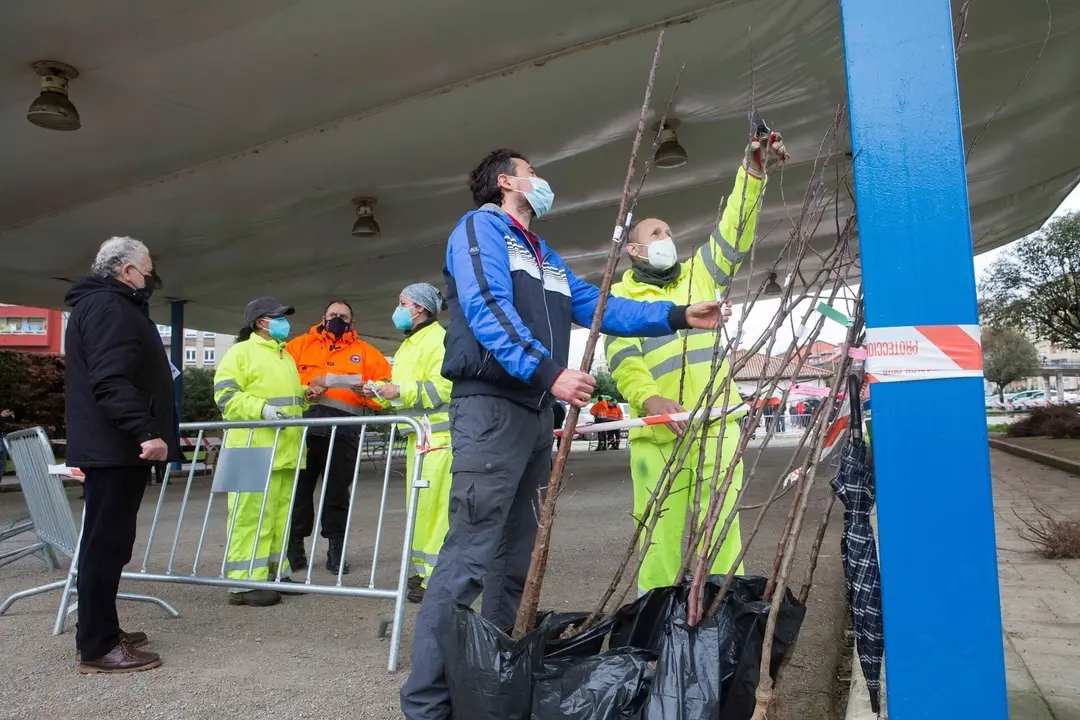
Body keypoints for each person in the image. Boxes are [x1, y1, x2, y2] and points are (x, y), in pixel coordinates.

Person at [400, 147, 730, 719]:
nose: (540, 179)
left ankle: (491, 681)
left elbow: (598, 306)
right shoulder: (480, 229)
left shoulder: (543, 255)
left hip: (531, 412)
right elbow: (485, 309)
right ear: (506, 182)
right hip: (492, 407)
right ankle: (427, 703)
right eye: (531, 170)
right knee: (470, 555)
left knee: (514, 557)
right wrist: (550, 371)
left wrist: (677, 317)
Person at [604, 130, 788, 595]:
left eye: (668, 231)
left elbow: (734, 229)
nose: (667, 238)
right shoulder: (622, 299)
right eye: (655, 233)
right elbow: (624, 359)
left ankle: (723, 618)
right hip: (658, 436)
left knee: (721, 533)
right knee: (659, 541)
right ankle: (656, 621)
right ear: (635, 250)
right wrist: (650, 399)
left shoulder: (700, 274)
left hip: (716, 426)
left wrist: (753, 173)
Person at [63, 236, 180, 673]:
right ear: (126, 271)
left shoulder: (101, 307)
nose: (151, 277)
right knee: (105, 545)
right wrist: (145, 430)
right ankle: (97, 645)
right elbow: (112, 379)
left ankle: (99, 632)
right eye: (147, 270)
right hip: (115, 446)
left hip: (111, 444)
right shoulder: (111, 309)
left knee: (107, 543)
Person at [215, 297, 318, 607]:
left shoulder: (284, 355)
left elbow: (286, 401)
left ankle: (274, 573)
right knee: (248, 518)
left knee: (277, 518)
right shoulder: (241, 352)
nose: (285, 322)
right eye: (279, 316)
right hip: (249, 449)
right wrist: (262, 410)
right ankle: (243, 584)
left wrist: (306, 395)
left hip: (283, 450)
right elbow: (226, 396)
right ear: (260, 322)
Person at [285, 300, 391, 574]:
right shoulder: (298, 346)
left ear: (352, 323)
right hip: (304, 430)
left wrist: (369, 392)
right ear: (323, 317)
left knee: (336, 494)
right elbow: (281, 380)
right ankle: (294, 549)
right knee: (298, 491)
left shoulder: (368, 353)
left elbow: (386, 392)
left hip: (343, 433)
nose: (337, 319)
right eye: (333, 315)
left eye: (343, 316)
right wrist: (306, 389)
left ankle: (336, 550)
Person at [365, 283, 452, 604]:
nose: (398, 308)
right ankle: (423, 571)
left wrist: (398, 390)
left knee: (435, 511)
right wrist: (382, 392)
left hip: (440, 439)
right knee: (419, 510)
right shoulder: (410, 344)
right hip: (420, 437)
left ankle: (437, 579)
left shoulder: (438, 339)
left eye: (402, 302)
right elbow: (407, 391)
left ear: (420, 308)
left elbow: (443, 388)